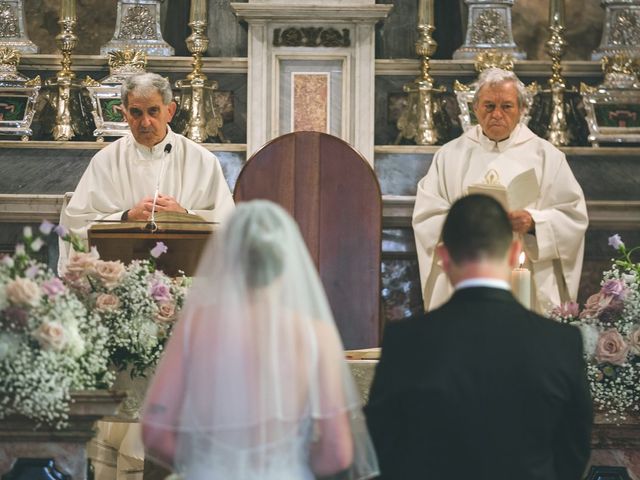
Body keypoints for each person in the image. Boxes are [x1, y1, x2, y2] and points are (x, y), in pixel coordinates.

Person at [141, 200, 379, 480]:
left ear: (228, 259)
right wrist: (289, 466)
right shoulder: (316, 334)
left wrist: (206, 464)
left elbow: (155, 432)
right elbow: (337, 453)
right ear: (287, 261)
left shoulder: (196, 325)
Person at [365, 194, 593, 480]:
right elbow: (574, 449)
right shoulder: (561, 342)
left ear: (444, 257)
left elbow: (382, 445)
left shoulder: (405, 341)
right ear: (513, 254)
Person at [412, 67, 588, 313]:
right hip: (467, 272)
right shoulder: (449, 155)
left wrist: (534, 222)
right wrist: (464, 223)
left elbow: (573, 217)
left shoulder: (547, 156)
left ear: (521, 110)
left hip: (524, 272)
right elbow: (425, 216)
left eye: (506, 106)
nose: (497, 114)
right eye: (488, 106)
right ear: (475, 109)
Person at [58, 72, 234, 270]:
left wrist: (184, 215)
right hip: (122, 278)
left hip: (186, 275)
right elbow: (76, 225)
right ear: (124, 114)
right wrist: (126, 217)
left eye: (153, 111)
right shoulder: (105, 161)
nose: (145, 122)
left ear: (170, 111)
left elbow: (229, 224)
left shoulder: (202, 161)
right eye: (136, 112)